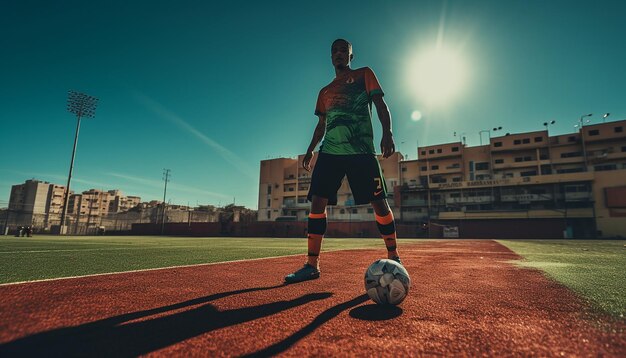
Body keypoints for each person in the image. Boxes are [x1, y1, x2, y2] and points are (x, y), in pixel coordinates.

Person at [285, 39, 401, 284]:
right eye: (334, 51)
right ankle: (311, 265)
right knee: (317, 202)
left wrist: (387, 132)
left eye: (343, 51)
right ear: (330, 57)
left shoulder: (364, 74)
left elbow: (381, 104)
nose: (338, 54)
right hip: (330, 152)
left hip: (361, 150)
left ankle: (394, 255)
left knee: (379, 204)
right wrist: (310, 150)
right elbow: (321, 126)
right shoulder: (324, 92)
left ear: (351, 55)